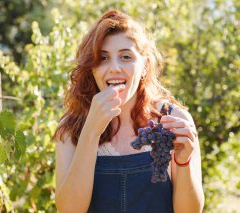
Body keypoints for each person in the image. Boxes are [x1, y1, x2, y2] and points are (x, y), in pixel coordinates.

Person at [53, 9, 205, 213]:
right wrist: (90, 132)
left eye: (125, 56)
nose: (114, 68)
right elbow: (69, 210)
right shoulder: (71, 128)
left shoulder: (174, 120)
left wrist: (183, 161)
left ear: (145, 66)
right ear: (92, 68)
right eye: (103, 58)